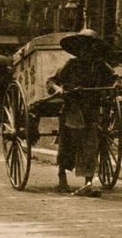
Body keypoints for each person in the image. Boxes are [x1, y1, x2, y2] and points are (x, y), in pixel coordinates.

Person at [45, 29, 116, 197]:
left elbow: (114, 78)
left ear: (95, 49)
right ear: (79, 48)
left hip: (91, 108)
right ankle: (62, 177)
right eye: (84, 47)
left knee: (90, 144)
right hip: (72, 107)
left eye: (91, 47)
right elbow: (51, 81)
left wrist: (114, 87)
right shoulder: (71, 64)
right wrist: (58, 89)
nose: (87, 51)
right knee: (67, 144)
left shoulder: (101, 65)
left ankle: (88, 183)